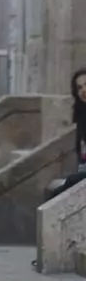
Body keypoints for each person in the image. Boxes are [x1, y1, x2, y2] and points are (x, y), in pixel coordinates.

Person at [45, 69, 86, 201]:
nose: (83, 90)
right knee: (54, 190)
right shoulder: (82, 115)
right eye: (79, 87)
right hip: (82, 171)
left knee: (61, 189)